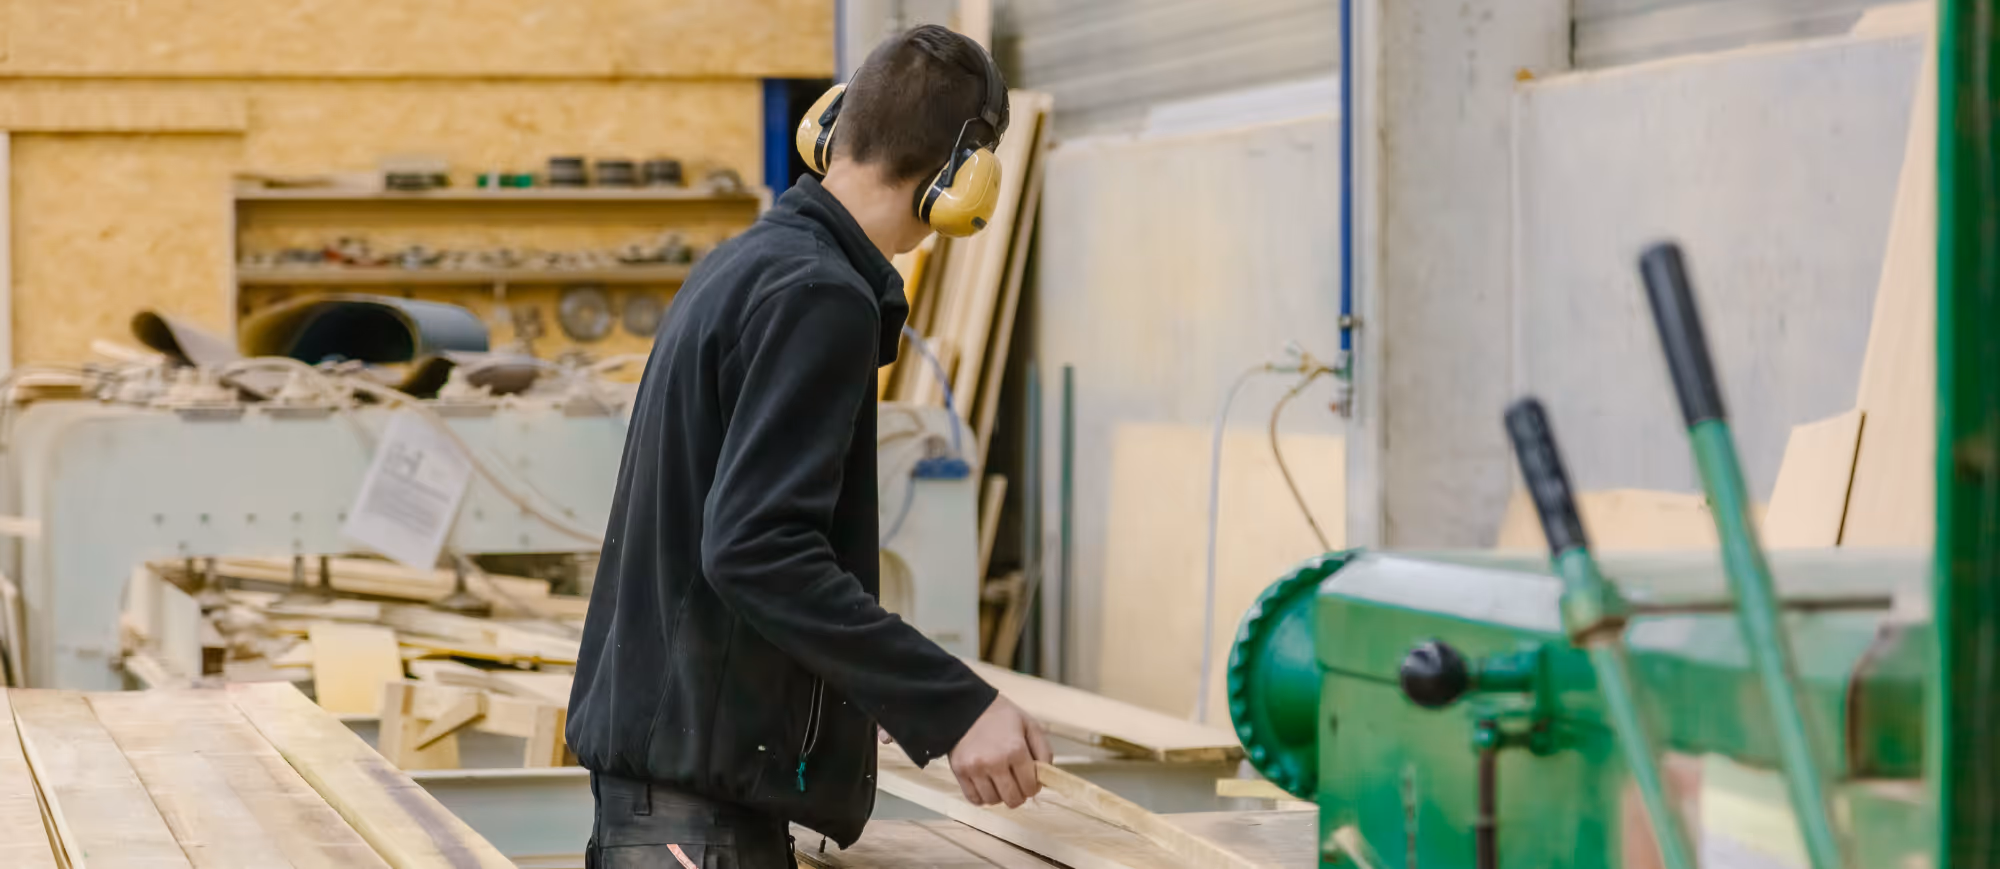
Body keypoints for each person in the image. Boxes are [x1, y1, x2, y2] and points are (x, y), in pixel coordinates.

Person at [566, 24, 1051, 869]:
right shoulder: (821, 295)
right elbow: (758, 547)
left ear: (831, 127)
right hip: (699, 831)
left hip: (663, 815)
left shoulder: (745, 264)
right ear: (964, 176)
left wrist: (850, 699)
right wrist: (953, 705)